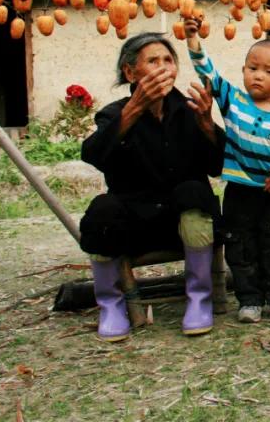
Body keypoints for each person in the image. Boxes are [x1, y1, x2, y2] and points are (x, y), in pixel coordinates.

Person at [80, 32, 225, 340]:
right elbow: (93, 154)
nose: (163, 68)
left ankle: (199, 299)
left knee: (194, 192)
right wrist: (134, 108)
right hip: (134, 224)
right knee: (101, 211)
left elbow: (217, 166)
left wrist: (207, 124)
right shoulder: (112, 114)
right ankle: (111, 305)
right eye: (153, 61)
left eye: (168, 60)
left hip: (183, 223)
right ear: (131, 73)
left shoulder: (189, 109)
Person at [183, 17, 270, 324]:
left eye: (268, 71)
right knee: (241, 248)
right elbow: (207, 72)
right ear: (243, 71)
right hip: (238, 194)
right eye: (252, 68)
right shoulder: (233, 102)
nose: (258, 76)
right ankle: (249, 299)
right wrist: (193, 40)